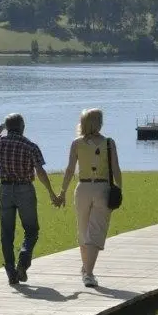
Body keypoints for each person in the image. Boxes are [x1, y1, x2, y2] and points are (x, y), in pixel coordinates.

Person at [0, 113, 61, 286]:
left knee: (6, 233)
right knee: (32, 230)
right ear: (23, 127)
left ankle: (11, 272)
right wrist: (51, 192)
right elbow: (40, 172)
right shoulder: (30, 146)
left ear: (8, 127)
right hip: (25, 189)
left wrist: (2, 126)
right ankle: (24, 258)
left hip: (5, 189)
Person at [59, 108, 122, 288]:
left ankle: (86, 268)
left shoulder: (76, 143)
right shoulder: (109, 143)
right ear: (98, 123)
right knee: (95, 231)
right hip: (101, 188)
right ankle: (88, 272)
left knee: (83, 230)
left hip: (82, 188)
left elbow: (70, 170)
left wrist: (63, 191)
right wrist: (119, 188)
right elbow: (116, 169)